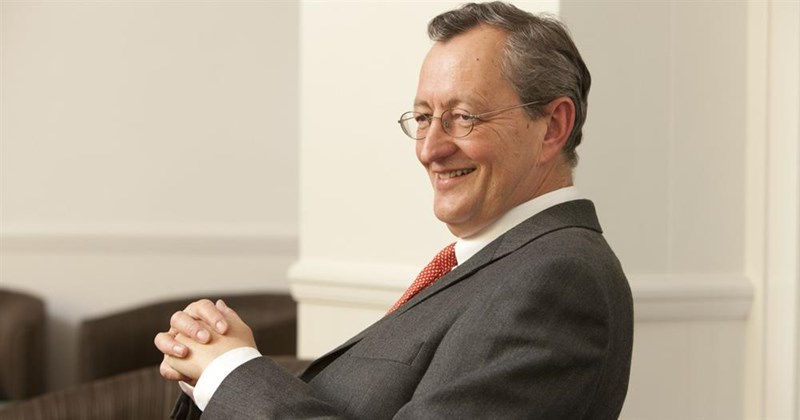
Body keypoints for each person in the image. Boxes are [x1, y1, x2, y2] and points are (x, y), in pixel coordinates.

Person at [154, 2, 633, 419]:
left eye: (463, 117)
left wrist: (232, 372)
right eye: (423, 118)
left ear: (553, 126)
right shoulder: (501, 264)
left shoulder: (560, 280)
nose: (429, 149)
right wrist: (212, 371)